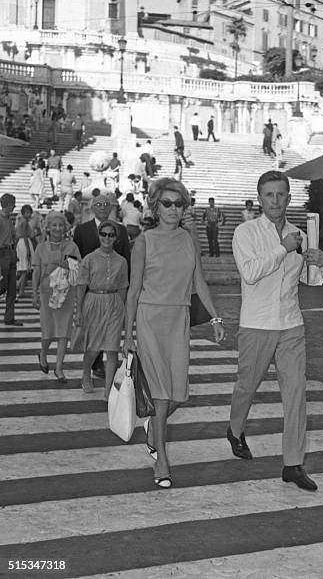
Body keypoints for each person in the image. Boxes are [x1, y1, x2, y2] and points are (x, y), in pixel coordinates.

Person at [228, 170, 323, 491]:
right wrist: (284, 248)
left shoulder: (300, 234)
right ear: (260, 199)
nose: (276, 200)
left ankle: (293, 464)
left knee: (296, 394)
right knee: (247, 386)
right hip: (256, 323)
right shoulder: (245, 232)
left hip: (291, 324)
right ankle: (234, 428)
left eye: (281, 194)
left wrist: (321, 262)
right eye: (269, 195)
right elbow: (250, 272)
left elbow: (308, 280)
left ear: (289, 198)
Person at [123, 178, 225, 488]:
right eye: (167, 203)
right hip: (151, 318)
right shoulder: (144, 241)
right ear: (155, 206)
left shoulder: (189, 239)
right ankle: (162, 459)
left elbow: (200, 283)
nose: (173, 209)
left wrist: (215, 318)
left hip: (178, 319)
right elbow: (133, 290)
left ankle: (154, 427)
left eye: (179, 204)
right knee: (162, 393)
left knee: (178, 393)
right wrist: (128, 334)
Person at [73, 192, 131, 378]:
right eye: (98, 204)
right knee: (93, 335)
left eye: (106, 204)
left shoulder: (121, 230)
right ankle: (93, 366)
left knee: (111, 336)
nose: (103, 207)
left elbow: (126, 260)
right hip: (91, 288)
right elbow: (75, 256)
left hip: (113, 288)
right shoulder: (81, 230)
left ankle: (104, 374)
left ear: (111, 207)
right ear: (92, 207)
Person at [32, 211, 81, 382]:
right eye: (54, 225)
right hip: (47, 294)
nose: (58, 228)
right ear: (48, 227)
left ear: (65, 227)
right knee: (48, 332)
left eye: (60, 225)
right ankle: (43, 353)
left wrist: (68, 265)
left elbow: (76, 272)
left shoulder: (72, 246)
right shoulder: (40, 248)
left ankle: (59, 368)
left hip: (66, 294)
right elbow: (36, 272)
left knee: (64, 333)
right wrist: (34, 294)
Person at [0, 194, 22, 326]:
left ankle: (9, 317)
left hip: (10, 252)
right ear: (7, 204)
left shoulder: (9, 219)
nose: (14, 206)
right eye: (13, 204)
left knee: (12, 288)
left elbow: (13, 237)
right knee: (3, 285)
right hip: (1, 253)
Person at [15, 205, 35, 299]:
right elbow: (24, 235)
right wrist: (28, 249)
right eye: (27, 213)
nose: (29, 214)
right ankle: (20, 289)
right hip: (24, 242)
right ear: (23, 213)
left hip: (22, 242)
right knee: (25, 268)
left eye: (29, 212)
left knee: (25, 268)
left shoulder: (22, 221)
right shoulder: (24, 221)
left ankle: (19, 286)